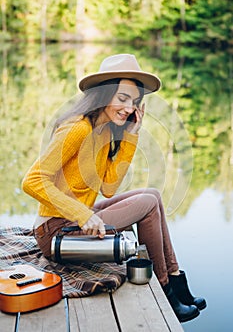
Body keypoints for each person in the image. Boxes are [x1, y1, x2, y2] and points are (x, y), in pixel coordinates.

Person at [22, 53, 206, 323]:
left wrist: (131, 136)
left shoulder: (105, 131)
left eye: (134, 102)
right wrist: (84, 214)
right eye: (122, 98)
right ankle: (167, 289)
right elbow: (32, 180)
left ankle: (176, 279)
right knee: (146, 205)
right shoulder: (78, 129)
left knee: (151, 195)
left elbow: (108, 187)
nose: (129, 108)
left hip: (74, 221)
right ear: (103, 94)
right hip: (55, 233)